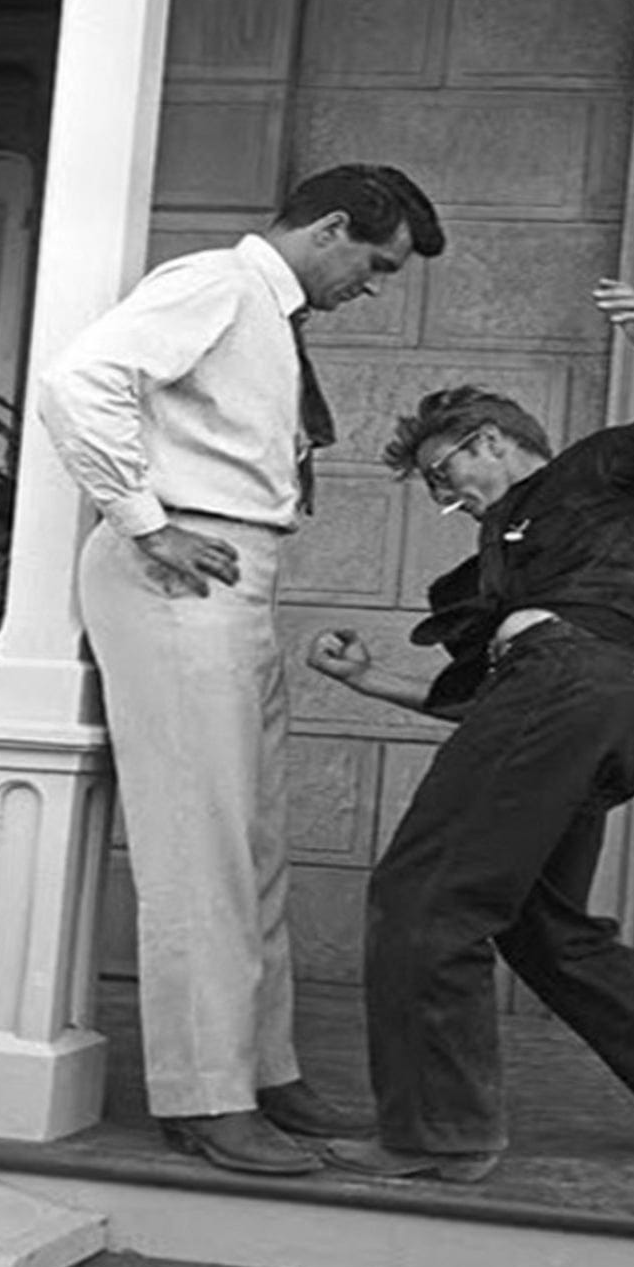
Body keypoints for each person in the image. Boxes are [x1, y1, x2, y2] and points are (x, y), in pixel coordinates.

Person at [306, 279, 634, 1182]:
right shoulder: (494, 560)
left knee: (424, 895)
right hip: (586, 705)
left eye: (446, 478)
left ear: (488, 441)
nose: (449, 501)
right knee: (540, 922)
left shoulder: (609, 464)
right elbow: (477, 708)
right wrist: (372, 679)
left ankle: (436, 1136)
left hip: (571, 685)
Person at [39, 164, 445, 1175]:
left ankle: (263, 1069)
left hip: (239, 564)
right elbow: (78, 381)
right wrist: (146, 522)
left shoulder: (262, 306)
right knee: (201, 837)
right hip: (182, 559)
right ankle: (205, 1096)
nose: (374, 286)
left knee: (254, 834)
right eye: (378, 263)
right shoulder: (217, 281)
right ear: (336, 227)